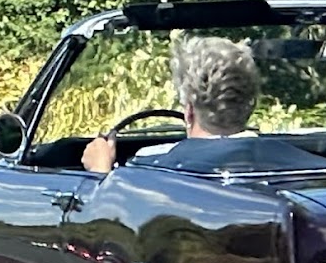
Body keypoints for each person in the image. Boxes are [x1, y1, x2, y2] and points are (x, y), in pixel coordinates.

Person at [81, 34, 260, 174]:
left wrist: (100, 170)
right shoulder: (274, 159)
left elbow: (121, 208)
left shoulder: (152, 164)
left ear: (189, 111)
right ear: (249, 106)